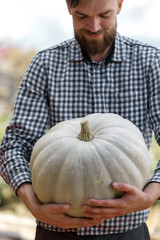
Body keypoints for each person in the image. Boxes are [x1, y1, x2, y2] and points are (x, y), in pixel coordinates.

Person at [0, 0, 160, 239]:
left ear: (119, 4)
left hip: (126, 232)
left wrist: (150, 195)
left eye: (104, 15)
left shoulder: (150, 62)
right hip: (55, 232)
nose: (94, 26)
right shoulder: (44, 65)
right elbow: (13, 145)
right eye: (81, 16)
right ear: (68, 8)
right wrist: (33, 204)